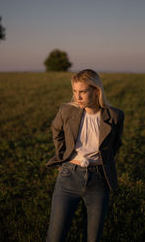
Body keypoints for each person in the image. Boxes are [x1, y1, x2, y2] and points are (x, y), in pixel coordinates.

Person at [46, 69, 124, 242]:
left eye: (82, 91)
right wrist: (62, 157)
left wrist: (103, 161)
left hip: (99, 181)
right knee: (55, 236)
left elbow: (115, 144)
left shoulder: (115, 115)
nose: (77, 97)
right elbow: (56, 131)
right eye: (75, 91)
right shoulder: (67, 110)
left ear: (96, 91)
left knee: (92, 237)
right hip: (68, 177)